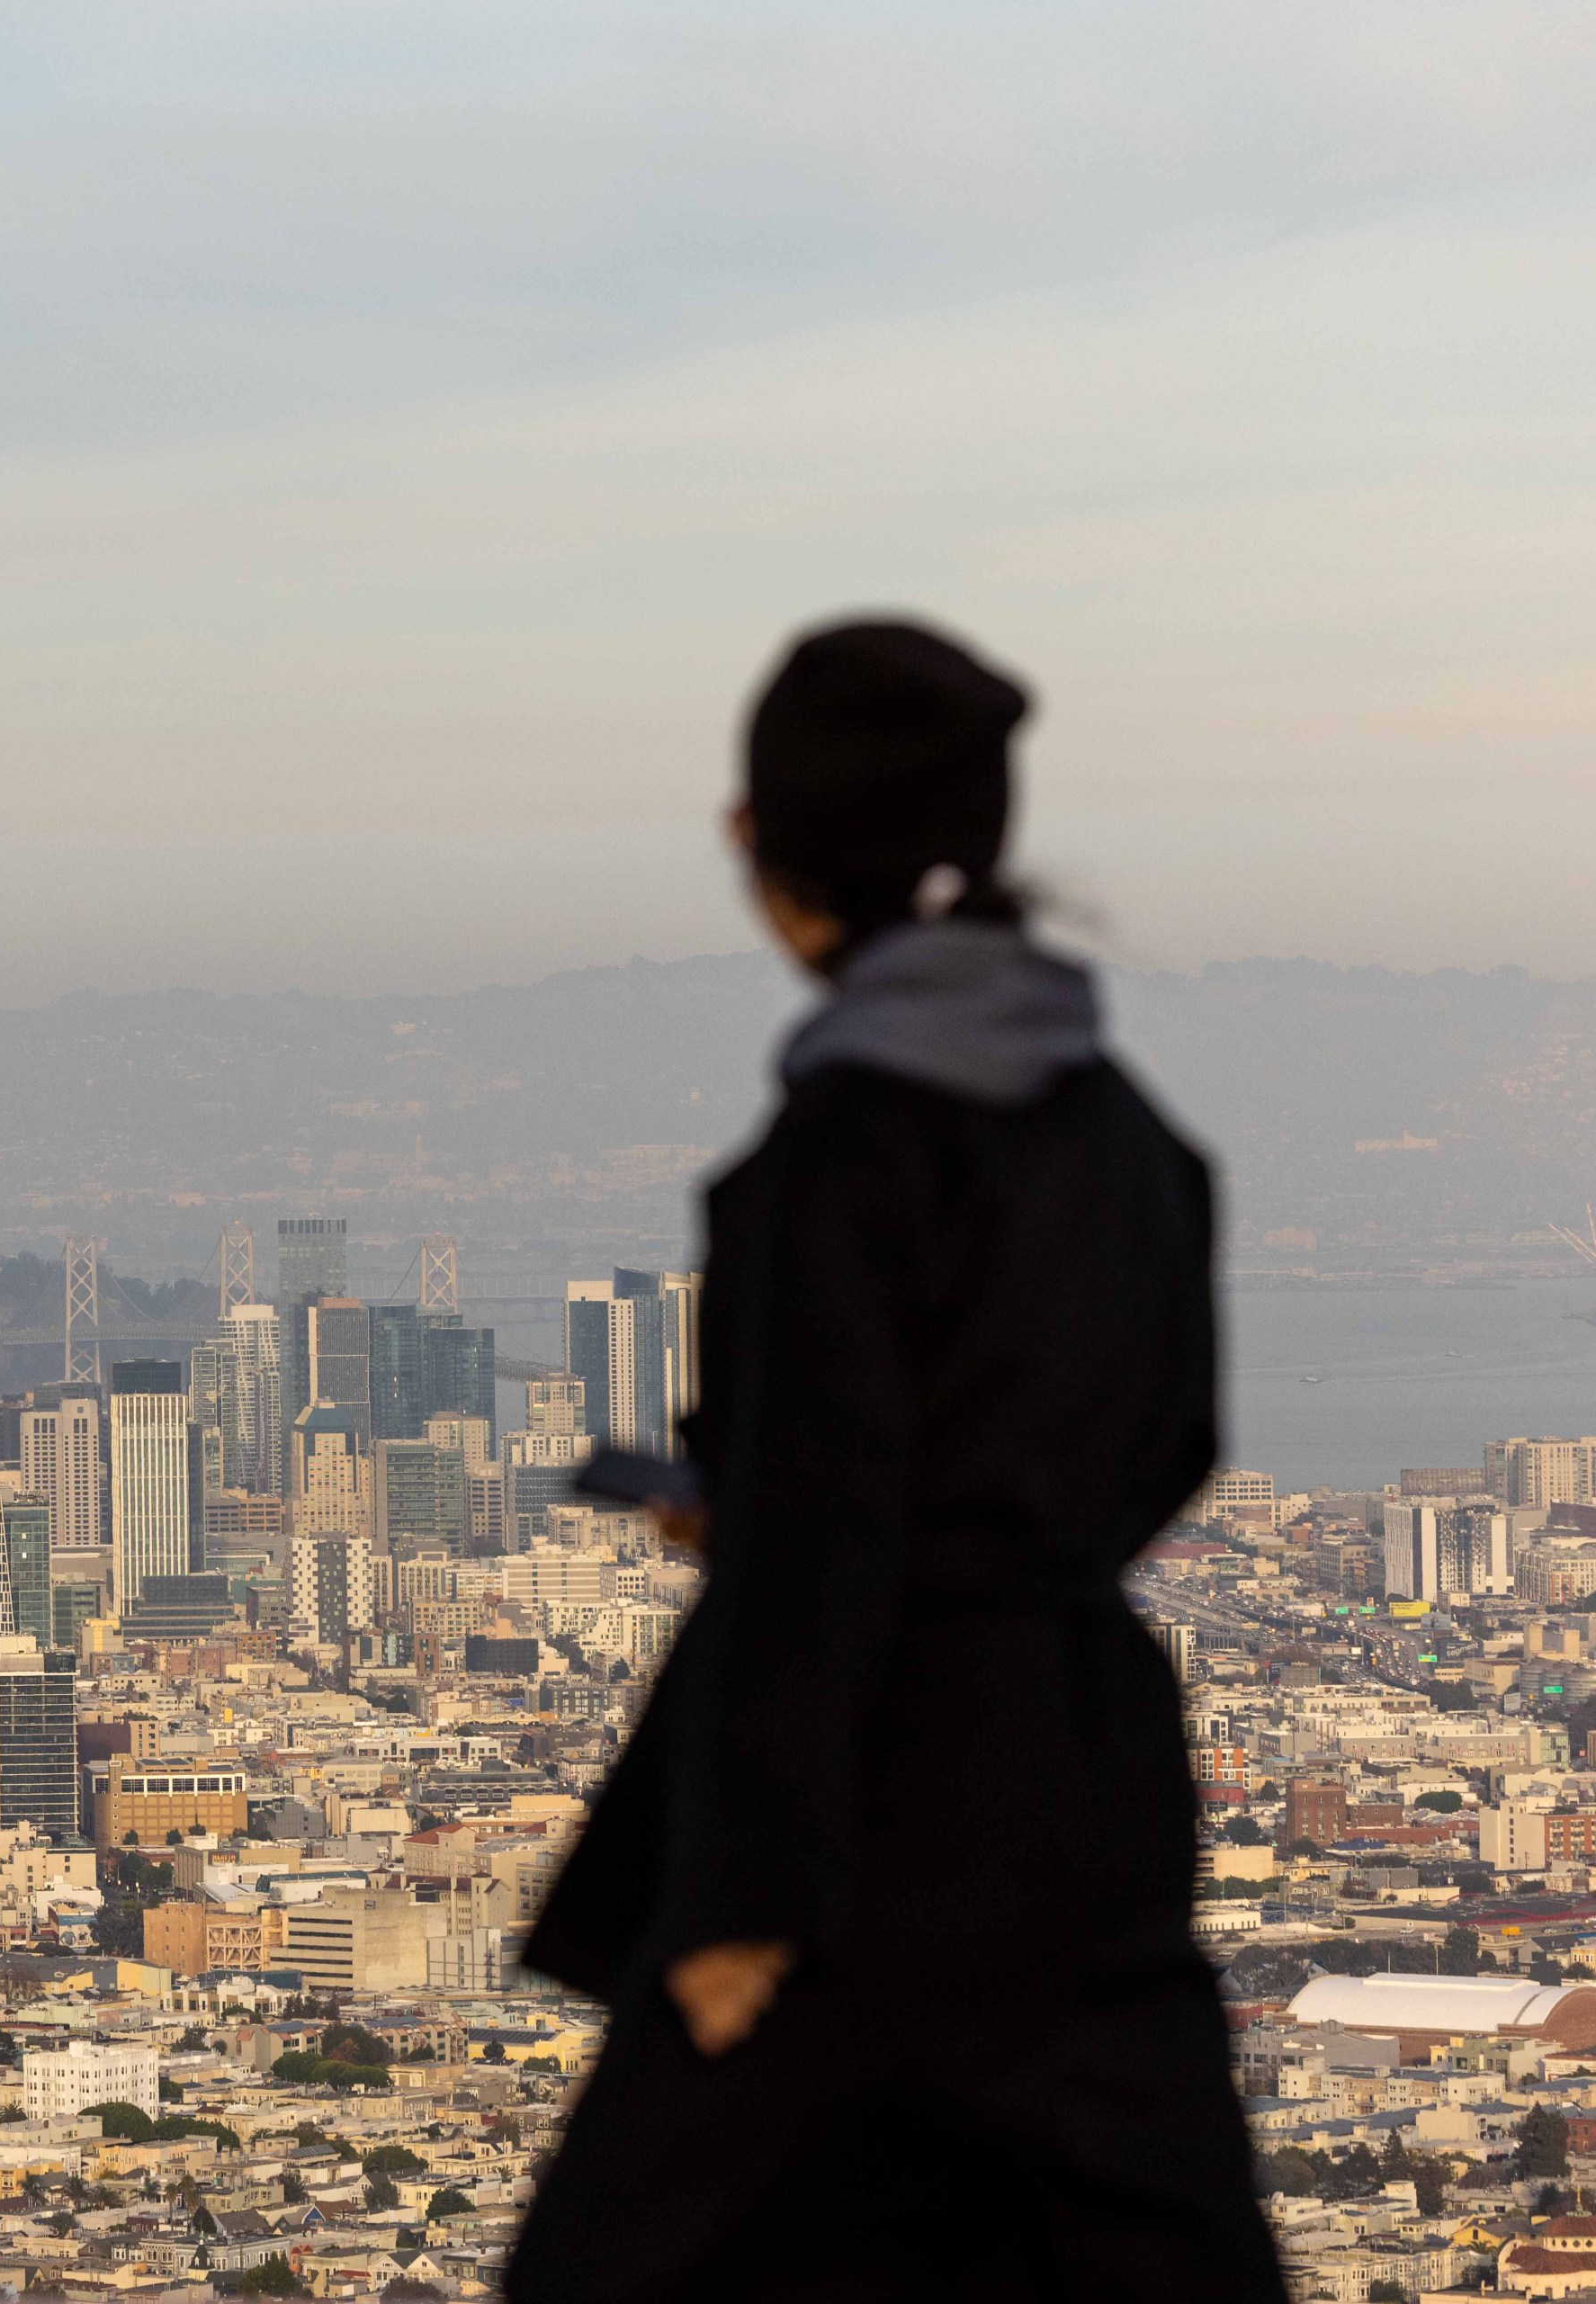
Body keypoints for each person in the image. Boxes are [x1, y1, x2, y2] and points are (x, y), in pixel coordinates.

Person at [506, 621, 1282, 2302]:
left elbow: (824, 1535)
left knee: (624, 2258)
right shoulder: (1133, 1135)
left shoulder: (842, 1149)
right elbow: (1171, 1446)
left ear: (757, 847)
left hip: (871, 1790)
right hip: (1083, 1757)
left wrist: (743, 1905)